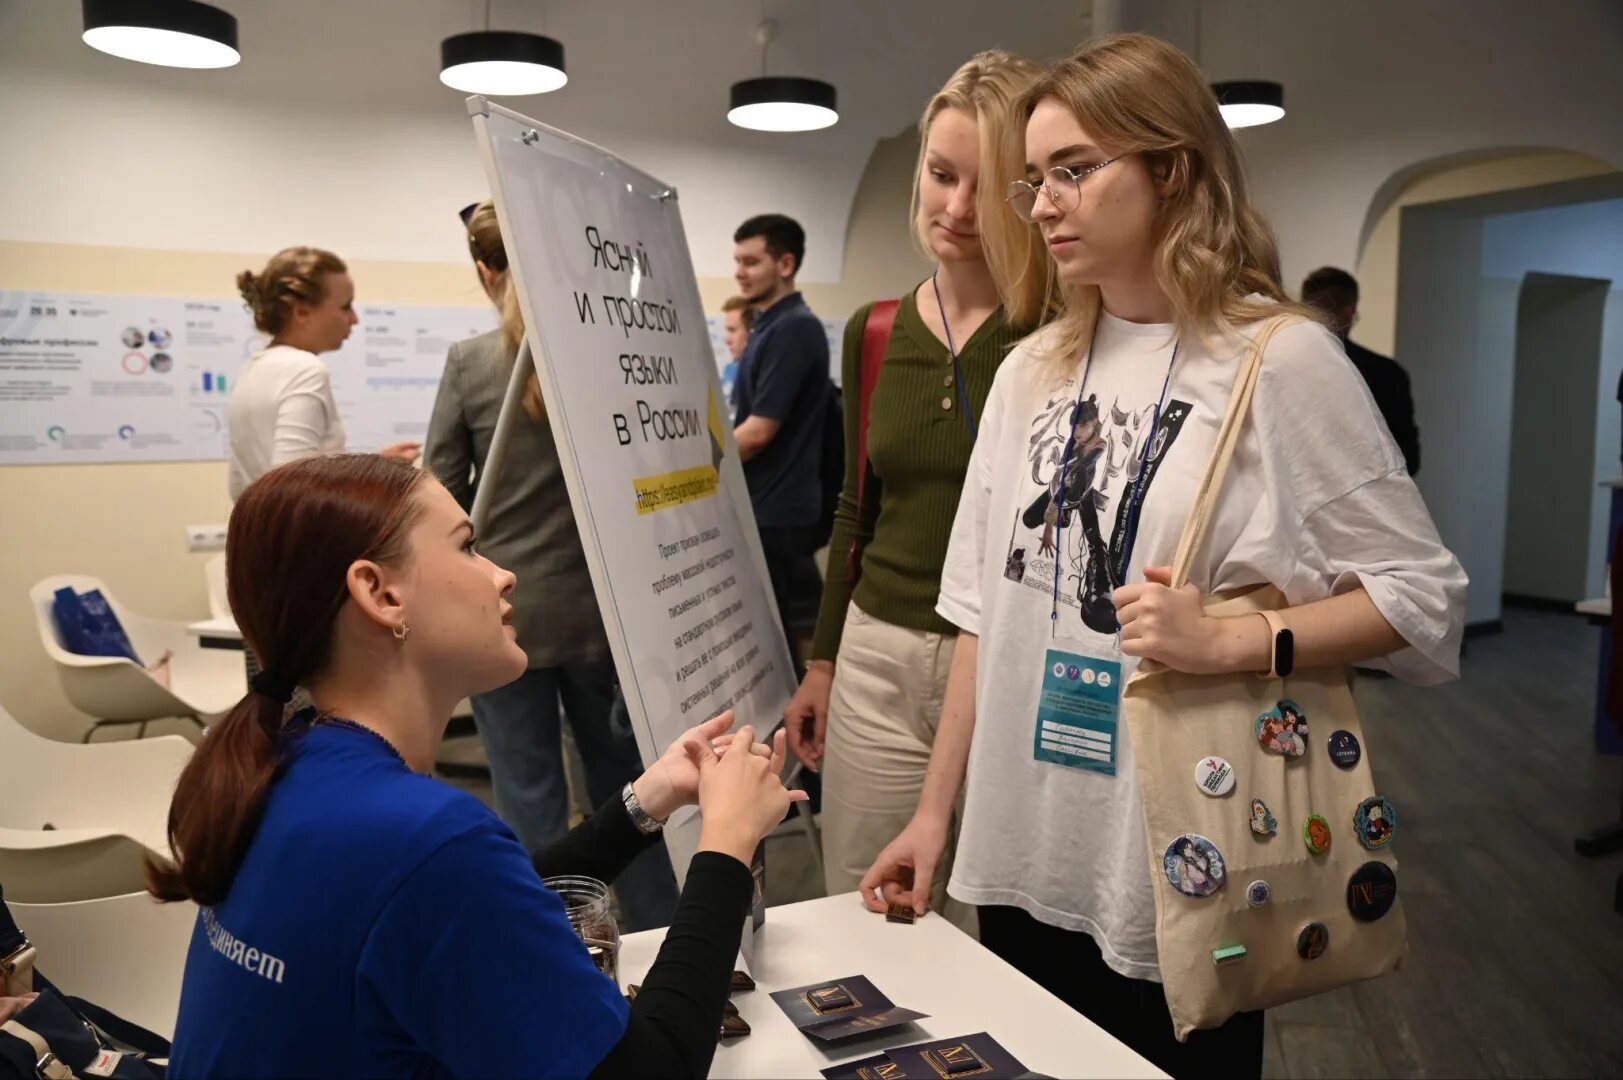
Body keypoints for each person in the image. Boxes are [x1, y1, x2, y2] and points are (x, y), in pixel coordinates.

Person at [860, 34, 1466, 1079]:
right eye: (1033, 179)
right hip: (1017, 851)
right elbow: (977, 615)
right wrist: (933, 816)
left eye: (1075, 171)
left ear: (1172, 170)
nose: (1040, 204)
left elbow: (1424, 603)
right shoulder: (1030, 370)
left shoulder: (1279, 360)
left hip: (1179, 866)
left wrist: (1232, 640)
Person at [148, 453, 802, 1078]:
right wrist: (726, 844)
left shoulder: (295, 762)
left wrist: (647, 800)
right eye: (466, 546)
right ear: (380, 593)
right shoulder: (423, 835)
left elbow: (479, 911)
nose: (502, 574)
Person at [779, 50, 1050, 921]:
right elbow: (858, 504)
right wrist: (821, 660)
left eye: (987, 182)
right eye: (941, 175)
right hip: (877, 650)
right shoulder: (875, 330)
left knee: (1001, 917)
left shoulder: (1058, 335)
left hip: (1011, 662)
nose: (958, 208)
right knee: (864, 899)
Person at [423, 202, 678, 930]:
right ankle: (661, 931)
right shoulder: (603, 355)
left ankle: (549, 943)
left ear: (485, 270)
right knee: (630, 794)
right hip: (605, 616)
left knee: (526, 791)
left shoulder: (471, 363)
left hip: (504, 616)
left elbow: (440, 494)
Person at [228, 247, 419, 499]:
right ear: (302, 313)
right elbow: (294, 484)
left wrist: (373, 465)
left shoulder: (254, 368)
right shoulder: (304, 369)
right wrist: (369, 480)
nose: (354, 319)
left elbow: (244, 483)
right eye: (346, 307)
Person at [730, 213, 832, 659]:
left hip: (778, 512)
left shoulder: (795, 328)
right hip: (764, 505)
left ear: (785, 264)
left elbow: (757, 432)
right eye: (737, 261)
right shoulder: (769, 325)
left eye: (751, 261)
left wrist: (694, 463)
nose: (739, 272)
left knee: (771, 644)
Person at [1300, 266, 1421, 475]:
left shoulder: (1283, 366)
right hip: (1365, 500)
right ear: (1351, 310)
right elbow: (1408, 460)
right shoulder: (1388, 374)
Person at [719, 294, 754, 404]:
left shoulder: (763, 379)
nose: (727, 340)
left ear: (752, 332)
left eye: (732, 330)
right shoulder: (742, 373)